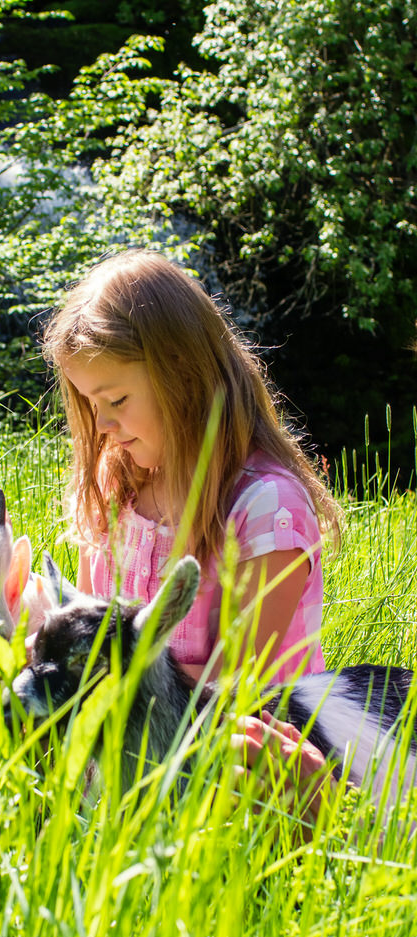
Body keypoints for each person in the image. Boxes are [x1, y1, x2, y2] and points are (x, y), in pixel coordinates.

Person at [40, 248, 342, 685]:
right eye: (91, 404)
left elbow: (238, 685)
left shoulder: (266, 509)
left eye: (117, 400)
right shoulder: (115, 487)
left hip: (246, 745)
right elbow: (86, 631)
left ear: (182, 374)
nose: (102, 424)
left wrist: (96, 676)